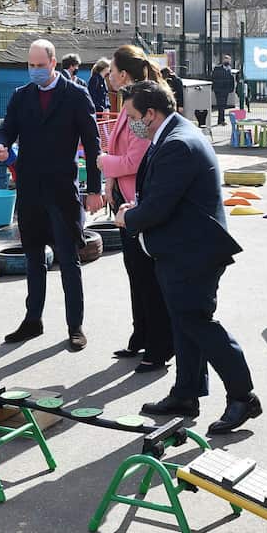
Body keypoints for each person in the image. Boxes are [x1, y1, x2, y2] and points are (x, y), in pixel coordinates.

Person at [117, 81, 260, 434]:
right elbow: (166, 194)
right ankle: (186, 392)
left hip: (192, 252)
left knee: (197, 322)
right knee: (183, 322)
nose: (131, 123)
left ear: (151, 114)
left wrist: (128, 217)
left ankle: (244, 396)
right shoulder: (173, 134)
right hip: (183, 248)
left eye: (133, 116)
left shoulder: (177, 143)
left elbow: (159, 206)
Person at [0, 38, 103, 351]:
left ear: (53, 64)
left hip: (62, 190)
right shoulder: (21, 96)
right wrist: (0, 145)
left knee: (69, 260)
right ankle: (33, 320)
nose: (35, 71)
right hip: (29, 190)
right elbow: (8, 129)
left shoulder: (75, 95)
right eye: (31, 65)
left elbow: (93, 144)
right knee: (33, 258)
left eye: (41, 66)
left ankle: (75, 325)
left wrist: (94, 188)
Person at [100, 47, 173, 371]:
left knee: (148, 278)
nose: (108, 78)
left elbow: (134, 160)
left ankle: (159, 346)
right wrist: (110, 181)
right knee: (136, 275)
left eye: (111, 72)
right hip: (125, 202)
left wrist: (104, 164)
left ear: (124, 75)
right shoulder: (127, 108)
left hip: (140, 205)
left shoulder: (140, 113)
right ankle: (140, 335)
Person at [211, 55, 235, 126]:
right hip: (219, 90)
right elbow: (213, 78)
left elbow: (231, 80)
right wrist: (215, 87)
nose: (227, 61)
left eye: (228, 60)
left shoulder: (229, 69)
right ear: (223, 60)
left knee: (223, 105)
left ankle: (221, 120)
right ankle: (221, 120)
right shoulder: (217, 68)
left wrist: (231, 89)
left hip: (226, 90)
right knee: (221, 105)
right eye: (226, 59)